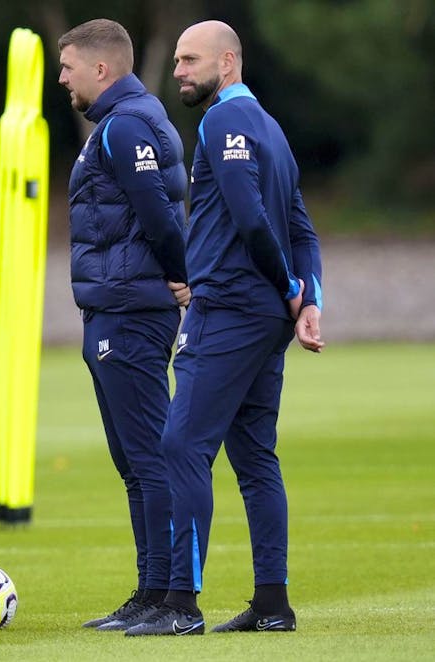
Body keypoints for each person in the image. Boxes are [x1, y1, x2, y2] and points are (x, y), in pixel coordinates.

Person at [124, 21, 324, 637]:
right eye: (178, 59)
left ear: (227, 62)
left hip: (230, 309)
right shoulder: (273, 129)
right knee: (256, 457)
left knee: (182, 445)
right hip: (264, 317)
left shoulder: (221, 123)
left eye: (190, 60)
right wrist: (308, 297)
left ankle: (181, 605)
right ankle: (272, 603)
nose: (179, 70)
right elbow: (303, 228)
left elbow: (252, 218)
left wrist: (291, 290)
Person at [57, 19, 191, 632]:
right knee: (132, 459)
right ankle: (149, 591)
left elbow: (159, 214)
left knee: (148, 457)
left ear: (101, 69)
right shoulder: (115, 124)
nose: (62, 78)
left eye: (68, 67)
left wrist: (184, 274)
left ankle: (171, 598)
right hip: (114, 304)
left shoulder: (128, 124)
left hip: (132, 309)